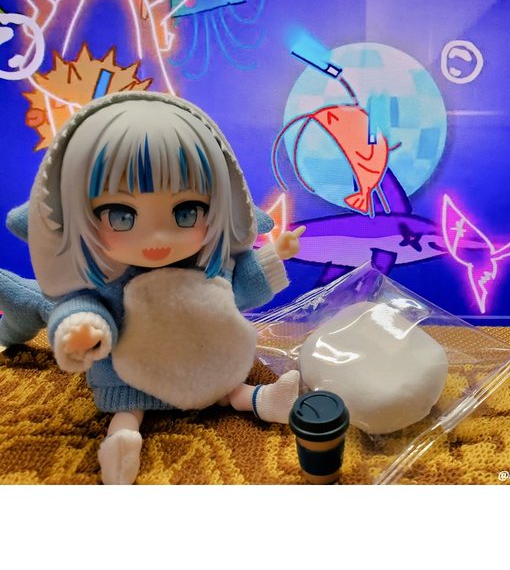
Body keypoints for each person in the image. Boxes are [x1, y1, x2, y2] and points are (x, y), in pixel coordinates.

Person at [21, 90, 304, 484]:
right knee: (128, 407)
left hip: (204, 365)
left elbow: (239, 290)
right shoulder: (110, 279)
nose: (157, 238)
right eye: (121, 215)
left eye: (186, 212)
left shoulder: (209, 265)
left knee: (228, 385)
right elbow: (85, 304)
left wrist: (274, 255)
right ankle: (122, 437)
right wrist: (84, 328)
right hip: (129, 379)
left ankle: (261, 400)